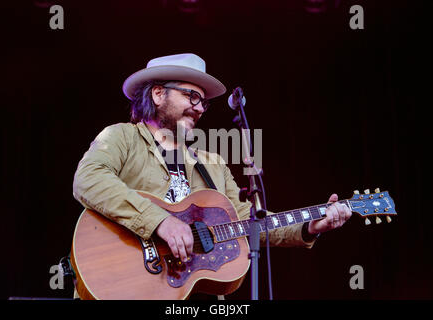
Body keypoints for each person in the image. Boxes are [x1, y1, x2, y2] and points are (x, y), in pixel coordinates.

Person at [72, 53, 352, 298]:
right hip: (126, 281)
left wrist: (308, 226)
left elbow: (249, 220)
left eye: (203, 102)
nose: (198, 108)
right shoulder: (121, 137)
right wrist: (160, 222)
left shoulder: (212, 163)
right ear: (158, 94)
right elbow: (88, 179)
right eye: (191, 96)